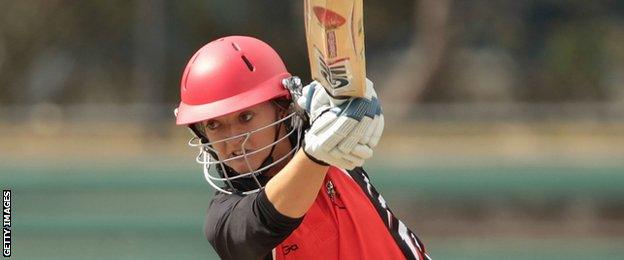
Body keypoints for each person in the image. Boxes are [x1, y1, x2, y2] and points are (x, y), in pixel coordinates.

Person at [175, 35, 430, 260]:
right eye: (214, 125)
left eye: (245, 117)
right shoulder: (224, 219)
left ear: (281, 107)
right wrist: (316, 156)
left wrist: (354, 94)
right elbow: (265, 221)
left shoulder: (323, 131)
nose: (233, 140)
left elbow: (329, 105)